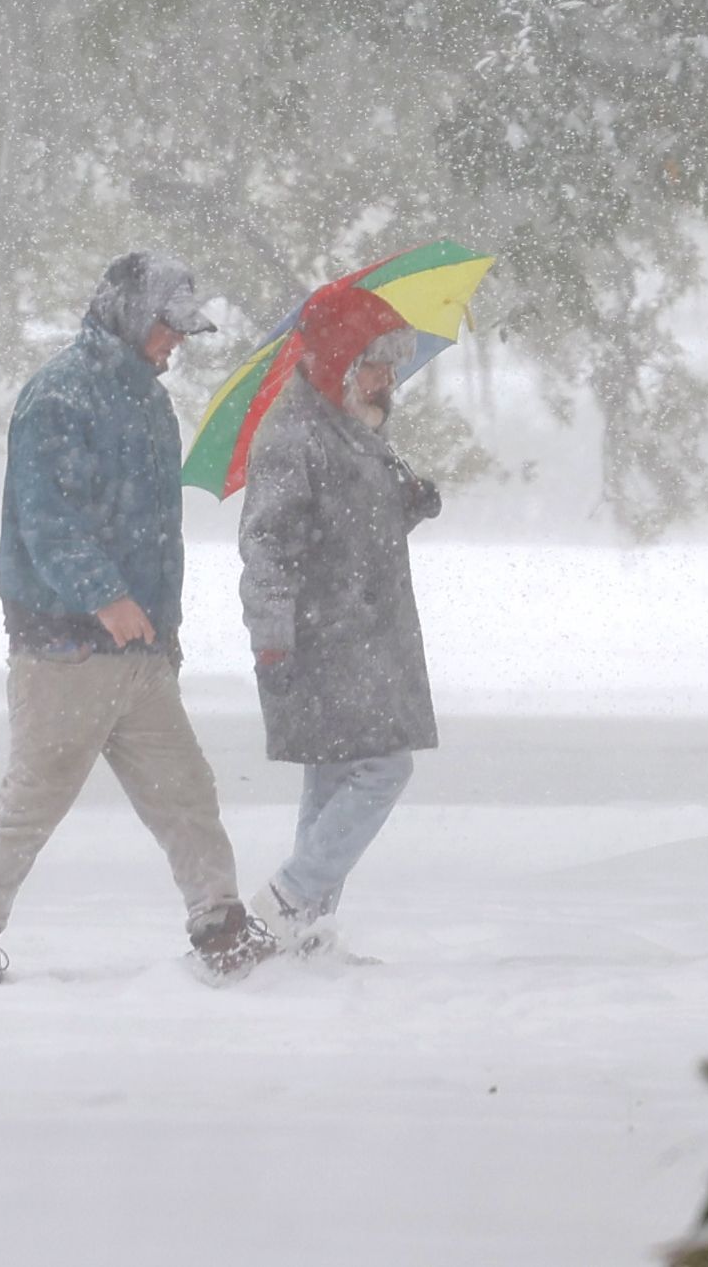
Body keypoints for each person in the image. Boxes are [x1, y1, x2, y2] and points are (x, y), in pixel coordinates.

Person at [0, 250, 274, 986]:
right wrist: (104, 596)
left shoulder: (148, 402)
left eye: (182, 332)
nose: (175, 343)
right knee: (33, 801)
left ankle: (221, 928)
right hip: (64, 648)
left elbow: (156, 533)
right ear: (129, 314)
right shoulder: (58, 396)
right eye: (167, 326)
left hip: (141, 652)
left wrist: (162, 628)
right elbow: (46, 518)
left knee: (186, 791)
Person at [236, 276, 441, 960]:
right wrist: (272, 637)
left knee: (331, 777)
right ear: (342, 363)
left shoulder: (353, 427)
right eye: (378, 361)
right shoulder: (294, 437)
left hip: (363, 635)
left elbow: (352, 525)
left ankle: (303, 931)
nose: (391, 377)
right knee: (385, 769)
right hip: (323, 640)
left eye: (394, 361)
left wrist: (407, 501)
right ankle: (289, 897)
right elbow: (267, 545)